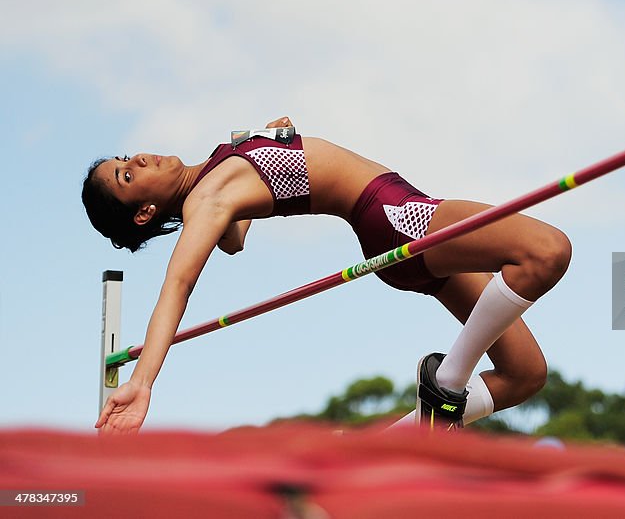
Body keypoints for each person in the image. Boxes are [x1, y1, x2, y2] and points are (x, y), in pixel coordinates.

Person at [83, 117, 571, 434]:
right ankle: (445, 385)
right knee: (546, 252)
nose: (138, 160)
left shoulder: (214, 180)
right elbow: (178, 286)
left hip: (398, 231)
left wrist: (271, 147)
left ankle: (397, 437)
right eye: (127, 176)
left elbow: (233, 239)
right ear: (145, 212)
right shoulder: (207, 200)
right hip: (398, 218)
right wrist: (143, 381)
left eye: (125, 158)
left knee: (524, 375)